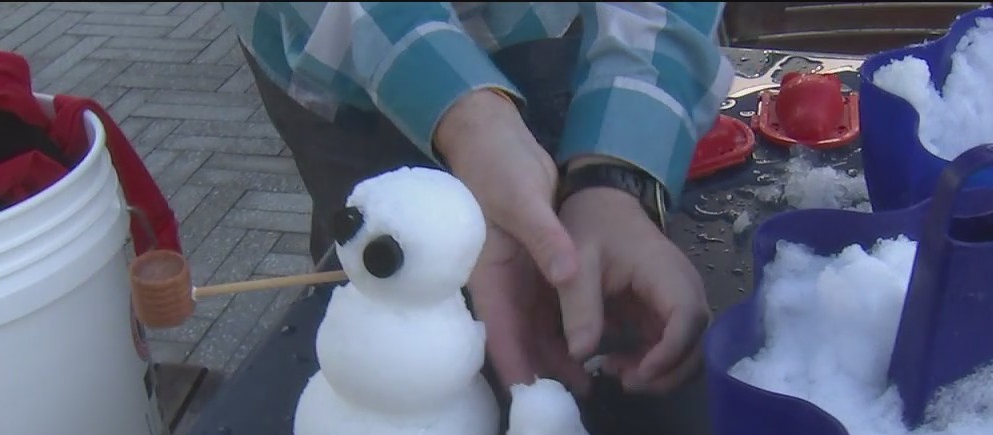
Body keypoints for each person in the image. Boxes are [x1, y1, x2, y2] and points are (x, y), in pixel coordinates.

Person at [220, 2, 733, 397]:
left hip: (550, 24)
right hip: (329, 45)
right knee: (379, 292)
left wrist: (615, 179)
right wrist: (469, 123)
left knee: (564, 301)